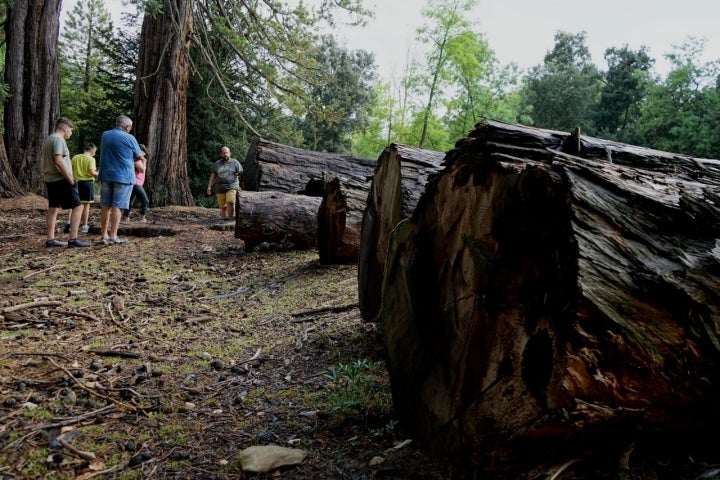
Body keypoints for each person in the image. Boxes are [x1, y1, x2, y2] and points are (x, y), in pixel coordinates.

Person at [42, 117, 90, 248]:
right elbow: (58, 160)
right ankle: (73, 239)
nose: (71, 132)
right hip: (61, 179)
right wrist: (70, 179)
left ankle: (50, 240)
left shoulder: (49, 139)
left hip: (50, 179)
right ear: (64, 128)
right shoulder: (58, 140)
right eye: (70, 129)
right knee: (78, 206)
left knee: (53, 208)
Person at [98, 114, 144, 245]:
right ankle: (113, 236)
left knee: (105, 205)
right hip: (123, 176)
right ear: (127, 126)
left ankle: (104, 235)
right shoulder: (130, 138)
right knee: (117, 206)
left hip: (106, 174)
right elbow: (139, 155)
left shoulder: (105, 135)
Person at [64, 143, 98, 234]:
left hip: (75, 182)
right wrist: (99, 173)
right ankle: (84, 226)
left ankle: (69, 223)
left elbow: (69, 168)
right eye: (95, 151)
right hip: (87, 183)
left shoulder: (75, 157)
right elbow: (92, 172)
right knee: (86, 205)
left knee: (74, 204)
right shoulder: (91, 159)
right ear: (92, 151)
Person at [206, 146, 243, 218]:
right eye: (223, 153)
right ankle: (223, 221)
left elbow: (241, 172)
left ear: (230, 153)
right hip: (220, 188)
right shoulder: (217, 163)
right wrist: (209, 186)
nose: (225, 154)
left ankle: (230, 220)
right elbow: (213, 175)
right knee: (223, 207)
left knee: (230, 202)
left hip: (232, 186)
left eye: (226, 153)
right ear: (221, 154)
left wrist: (238, 174)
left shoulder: (235, 162)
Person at [122, 143, 150, 223]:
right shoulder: (136, 160)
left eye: (143, 151)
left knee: (130, 201)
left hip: (135, 183)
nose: (143, 153)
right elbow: (142, 170)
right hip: (136, 183)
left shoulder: (137, 160)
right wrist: (144, 161)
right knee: (145, 201)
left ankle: (126, 218)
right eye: (141, 151)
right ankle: (142, 218)